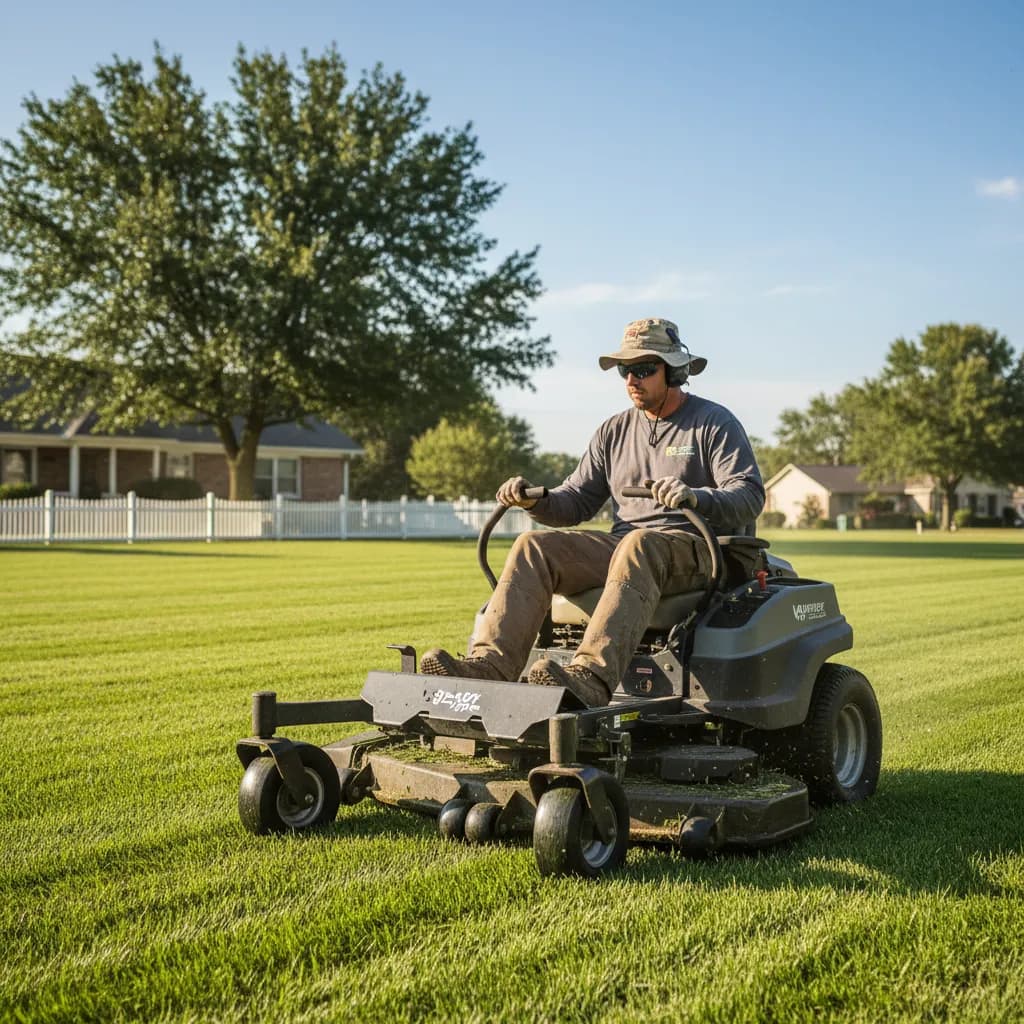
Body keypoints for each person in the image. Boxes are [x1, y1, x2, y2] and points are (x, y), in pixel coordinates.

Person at [421, 316, 765, 707]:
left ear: (674, 371)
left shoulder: (713, 423)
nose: (632, 379)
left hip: (697, 546)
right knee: (533, 545)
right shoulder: (613, 431)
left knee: (638, 543)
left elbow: (748, 494)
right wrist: (536, 501)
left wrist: (696, 496)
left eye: (643, 369)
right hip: (629, 548)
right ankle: (489, 667)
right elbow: (577, 500)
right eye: (625, 370)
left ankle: (590, 677)